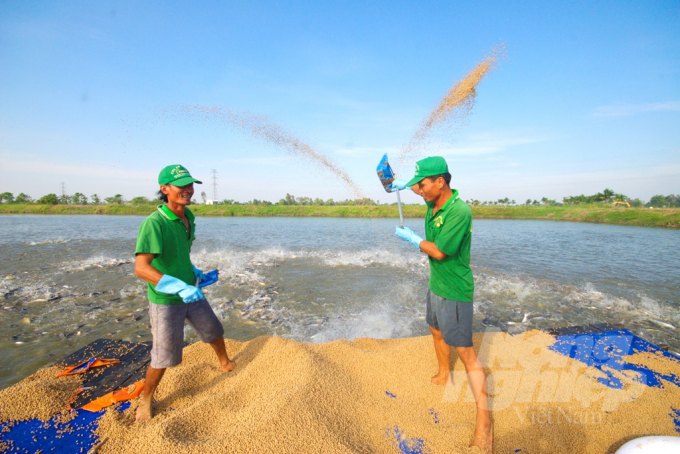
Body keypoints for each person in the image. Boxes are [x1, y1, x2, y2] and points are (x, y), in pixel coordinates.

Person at [392, 156, 492, 452]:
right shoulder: (433, 201)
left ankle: (484, 423)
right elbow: (418, 191)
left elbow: (437, 252)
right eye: (416, 186)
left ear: (441, 181)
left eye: (422, 184)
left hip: (455, 290)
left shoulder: (459, 211)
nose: (419, 190)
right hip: (436, 285)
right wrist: (399, 185)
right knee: (435, 329)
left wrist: (412, 239)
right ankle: (444, 374)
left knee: (466, 352)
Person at [133, 164, 236, 422]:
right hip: (167, 299)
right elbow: (141, 268)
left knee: (213, 329)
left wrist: (193, 272)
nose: (188, 190)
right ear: (165, 189)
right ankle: (146, 399)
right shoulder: (154, 224)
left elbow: (180, 253)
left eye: (190, 185)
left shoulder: (188, 218)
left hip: (192, 290)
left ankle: (225, 363)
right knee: (165, 354)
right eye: (181, 186)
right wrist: (176, 286)